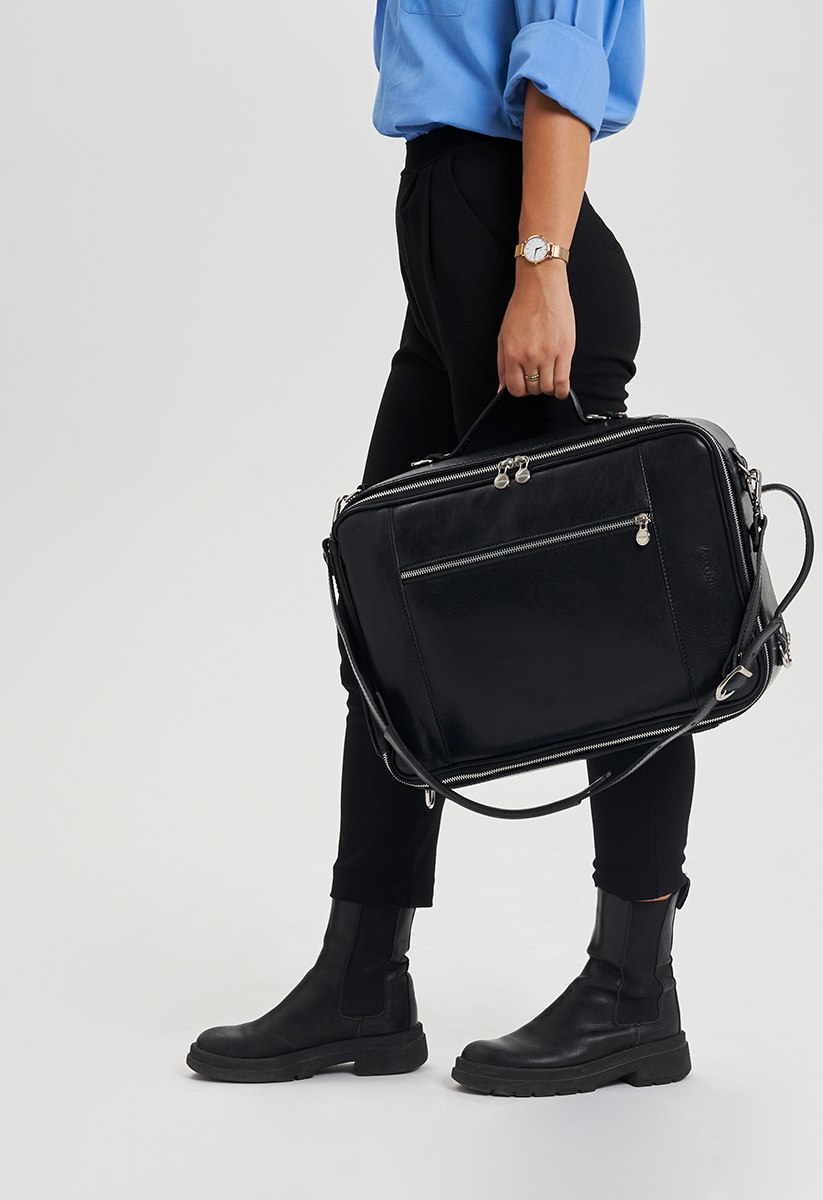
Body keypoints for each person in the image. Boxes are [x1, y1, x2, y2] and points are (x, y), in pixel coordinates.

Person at [187, 0, 695, 1097]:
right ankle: (364, 977)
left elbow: (564, 48)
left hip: (515, 243)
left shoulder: (528, 248)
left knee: (621, 642)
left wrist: (541, 268)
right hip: (451, 245)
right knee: (385, 623)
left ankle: (634, 989)